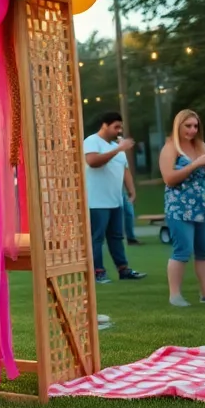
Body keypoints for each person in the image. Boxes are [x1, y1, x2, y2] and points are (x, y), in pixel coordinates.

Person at [160, 109, 205, 307]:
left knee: (204, 251)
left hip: (204, 205)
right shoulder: (170, 148)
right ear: (178, 126)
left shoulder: (201, 146)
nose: (192, 130)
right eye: (188, 126)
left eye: (195, 126)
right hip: (180, 207)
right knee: (182, 250)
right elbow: (169, 179)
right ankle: (175, 295)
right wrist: (195, 164)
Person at [82, 111, 145, 284]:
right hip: (96, 201)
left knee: (117, 237)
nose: (119, 131)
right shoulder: (92, 141)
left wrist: (131, 190)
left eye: (120, 127)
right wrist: (118, 149)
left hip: (116, 200)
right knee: (97, 238)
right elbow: (93, 162)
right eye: (116, 127)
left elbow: (124, 169)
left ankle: (123, 269)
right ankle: (98, 272)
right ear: (105, 125)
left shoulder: (116, 145)